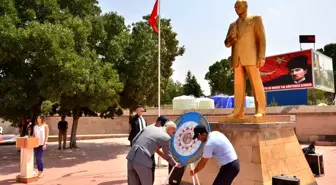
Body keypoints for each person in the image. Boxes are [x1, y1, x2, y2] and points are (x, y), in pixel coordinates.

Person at [224, 0, 266, 118]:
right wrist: (231, 38)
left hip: (251, 56)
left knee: (256, 84)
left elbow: (261, 39)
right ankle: (238, 111)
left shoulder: (255, 19)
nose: (236, 8)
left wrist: (261, 56)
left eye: (238, 6)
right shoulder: (232, 25)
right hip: (237, 58)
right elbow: (226, 43)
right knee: (238, 86)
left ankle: (261, 110)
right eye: (235, 7)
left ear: (245, 6)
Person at [149, 115, 170, 184]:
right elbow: (157, 149)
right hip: (146, 158)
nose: (164, 128)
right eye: (163, 126)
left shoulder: (149, 128)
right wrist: (169, 159)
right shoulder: (154, 131)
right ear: (158, 122)